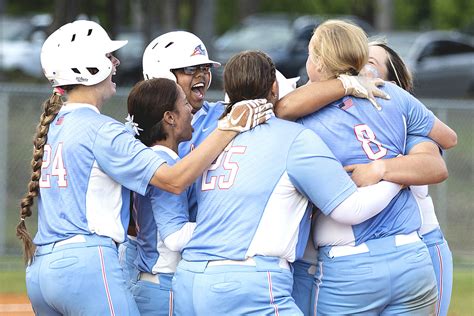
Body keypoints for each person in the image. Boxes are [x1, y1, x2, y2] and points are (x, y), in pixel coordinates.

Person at [17, 20, 272, 315]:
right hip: (86, 264)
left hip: (42, 265)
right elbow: (174, 180)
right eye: (108, 57)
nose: (116, 63)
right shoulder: (103, 130)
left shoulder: (55, 125)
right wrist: (229, 128)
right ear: (88, 68)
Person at [172, 50, 405, 315]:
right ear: (274, 88)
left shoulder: (214, 137)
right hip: (247, 280)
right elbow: (349, 209)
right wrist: (395, 176)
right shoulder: (294, 138)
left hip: (189, 277)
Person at [275, 19, 451, 315]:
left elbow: (282, 108)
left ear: (318, 61)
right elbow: (446, 142)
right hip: (411, 255)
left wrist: (380, 169)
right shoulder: (394, 95)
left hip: (351, 263)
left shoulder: (305, 113)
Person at [355, 40, 454, 316]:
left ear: (391, 82)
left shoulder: (406, 122)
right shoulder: (342, 119)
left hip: (421, 244)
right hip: (365, 256)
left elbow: (434, 167)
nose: (361, 67)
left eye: (371, 63)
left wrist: (381, 169)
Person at [125, 78, 197, 316]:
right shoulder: (165, 164)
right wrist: (224, 225)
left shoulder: (148, 159)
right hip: (163, 285)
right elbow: (174, 237)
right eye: (185, 103)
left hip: (151, 283)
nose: (191, 109)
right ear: (170, 117)